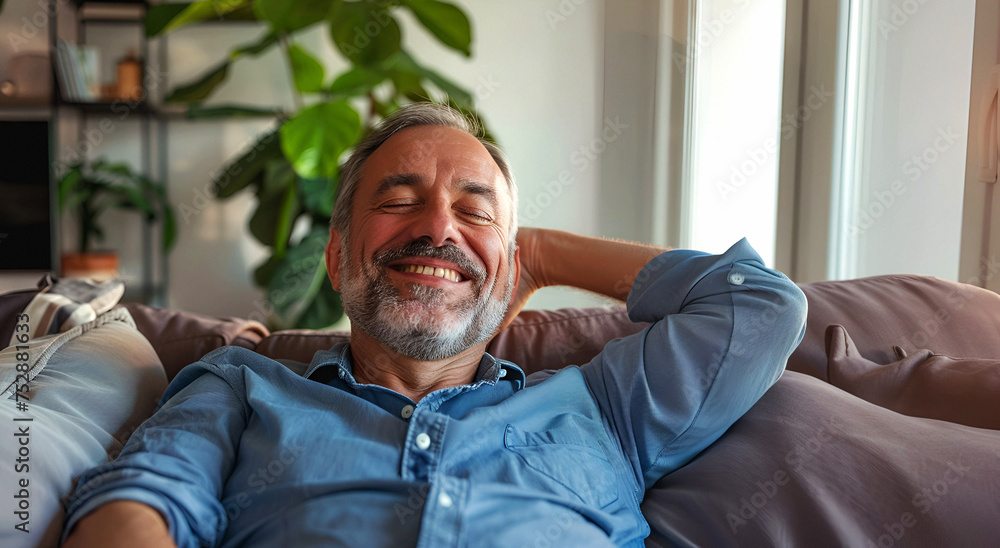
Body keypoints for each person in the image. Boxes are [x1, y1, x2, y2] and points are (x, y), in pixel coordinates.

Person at [61, 103, 807, 547]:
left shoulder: (605, 407)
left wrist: (540, 253)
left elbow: (759, 306)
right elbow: (141, 501)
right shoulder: (241, 385)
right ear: (336, 255)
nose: (438, 228)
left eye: (474, 211)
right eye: (399, 200)